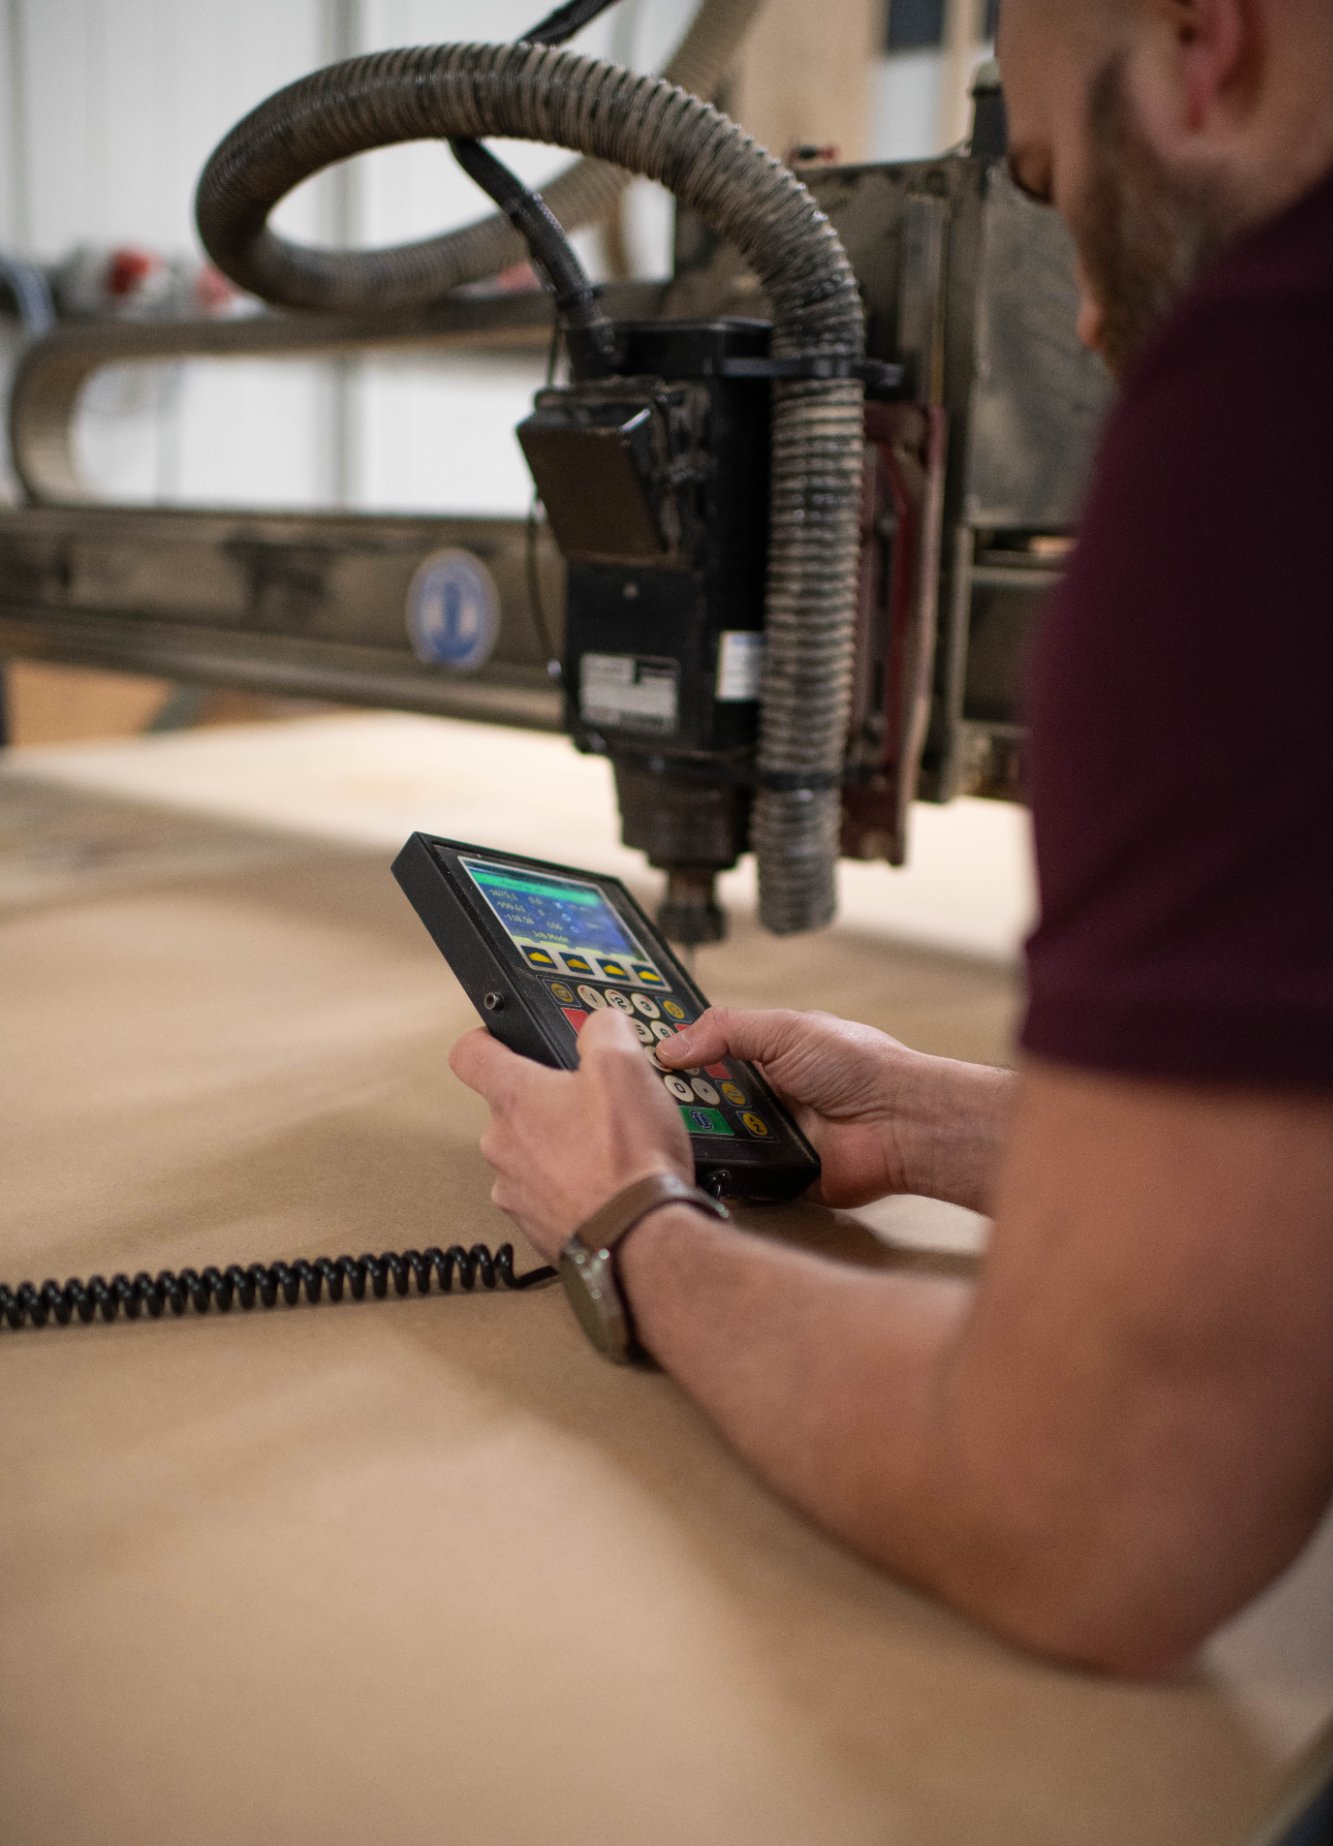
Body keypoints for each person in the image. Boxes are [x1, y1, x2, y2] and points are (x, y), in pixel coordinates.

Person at [451, 0, 1333, 1675]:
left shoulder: (1271, 412)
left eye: (1068, 189)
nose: (1080, 313)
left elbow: (1090, 1516)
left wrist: (631, 1227)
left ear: (1200, 41)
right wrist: (945, 1128)